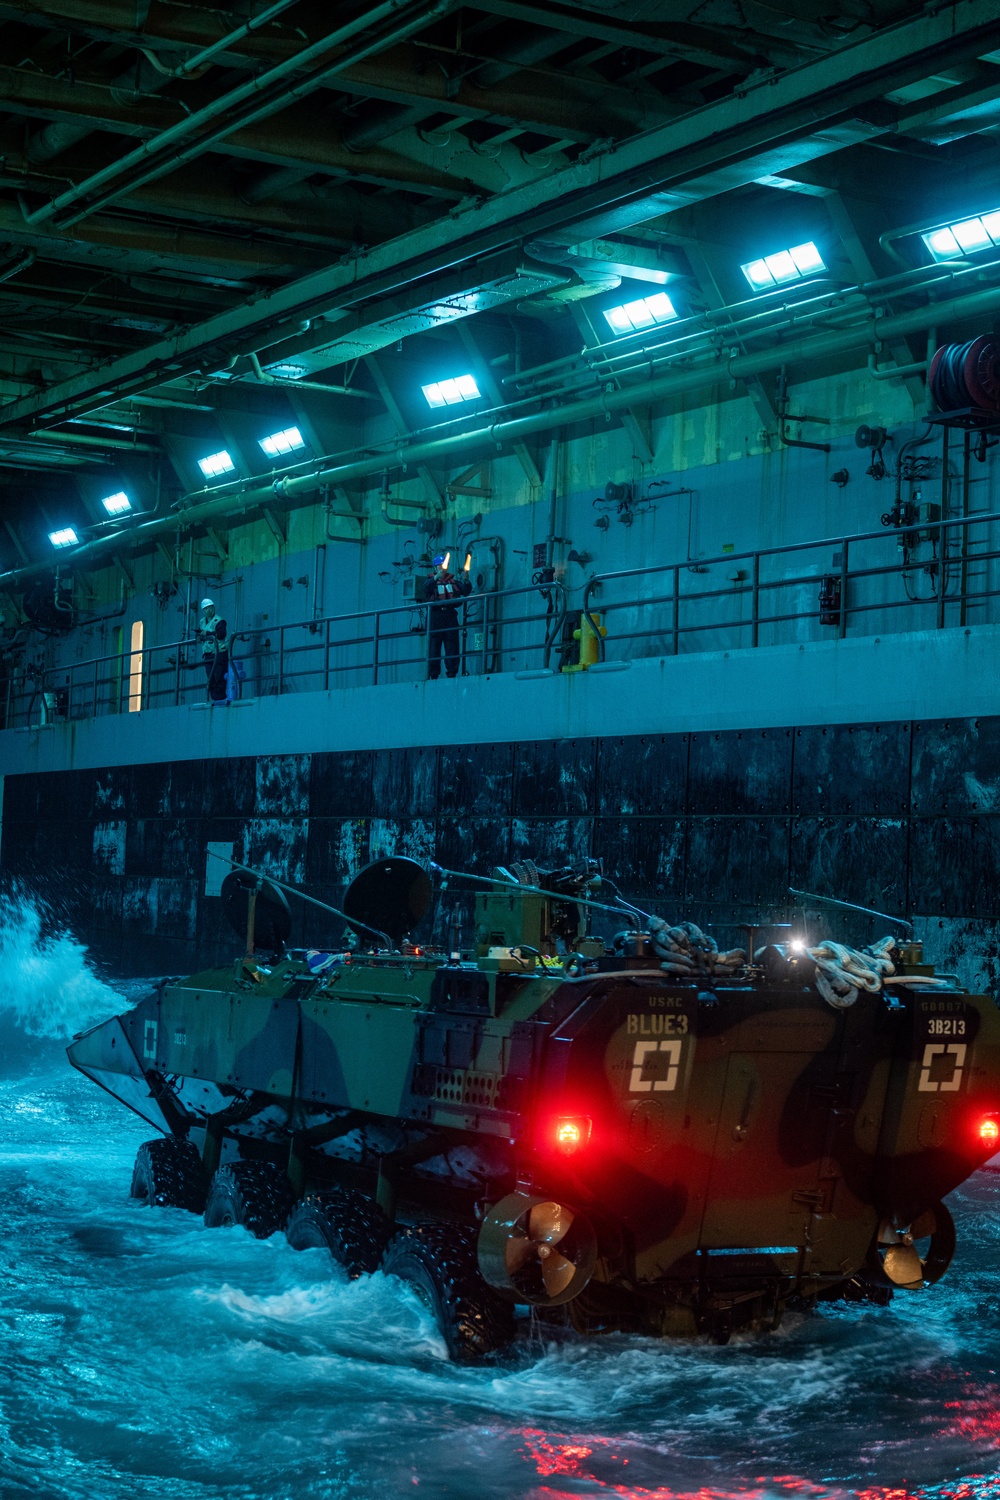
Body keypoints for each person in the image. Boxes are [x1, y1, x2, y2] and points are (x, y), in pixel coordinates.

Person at [420, 552, 471, 680]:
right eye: (439, 565)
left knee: (452, 645)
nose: (442, 567)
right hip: (435, 616)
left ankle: (452, 672)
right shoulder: (430, 581)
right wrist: (437, 577)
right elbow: (426, 589)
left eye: (444, 565)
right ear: (435, 567)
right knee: (434, 646)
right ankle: (433, 674)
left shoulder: (453, 581)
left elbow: (465, 591)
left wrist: (466, 580)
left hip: (449, 615)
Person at [198, 597, 229, 703]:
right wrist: (199, 637)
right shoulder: (202, 622)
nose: (209, 610)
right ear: (203, 611)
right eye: (206, 609)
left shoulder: (219, 621)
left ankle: (220, 699)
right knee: (210, 678)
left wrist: (207, 634)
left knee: (219, 677)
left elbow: (221, 635)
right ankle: (214, 698)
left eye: (211, 608)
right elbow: (201, 633)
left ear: (214, 608)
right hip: (208, 653)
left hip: (219, 652)